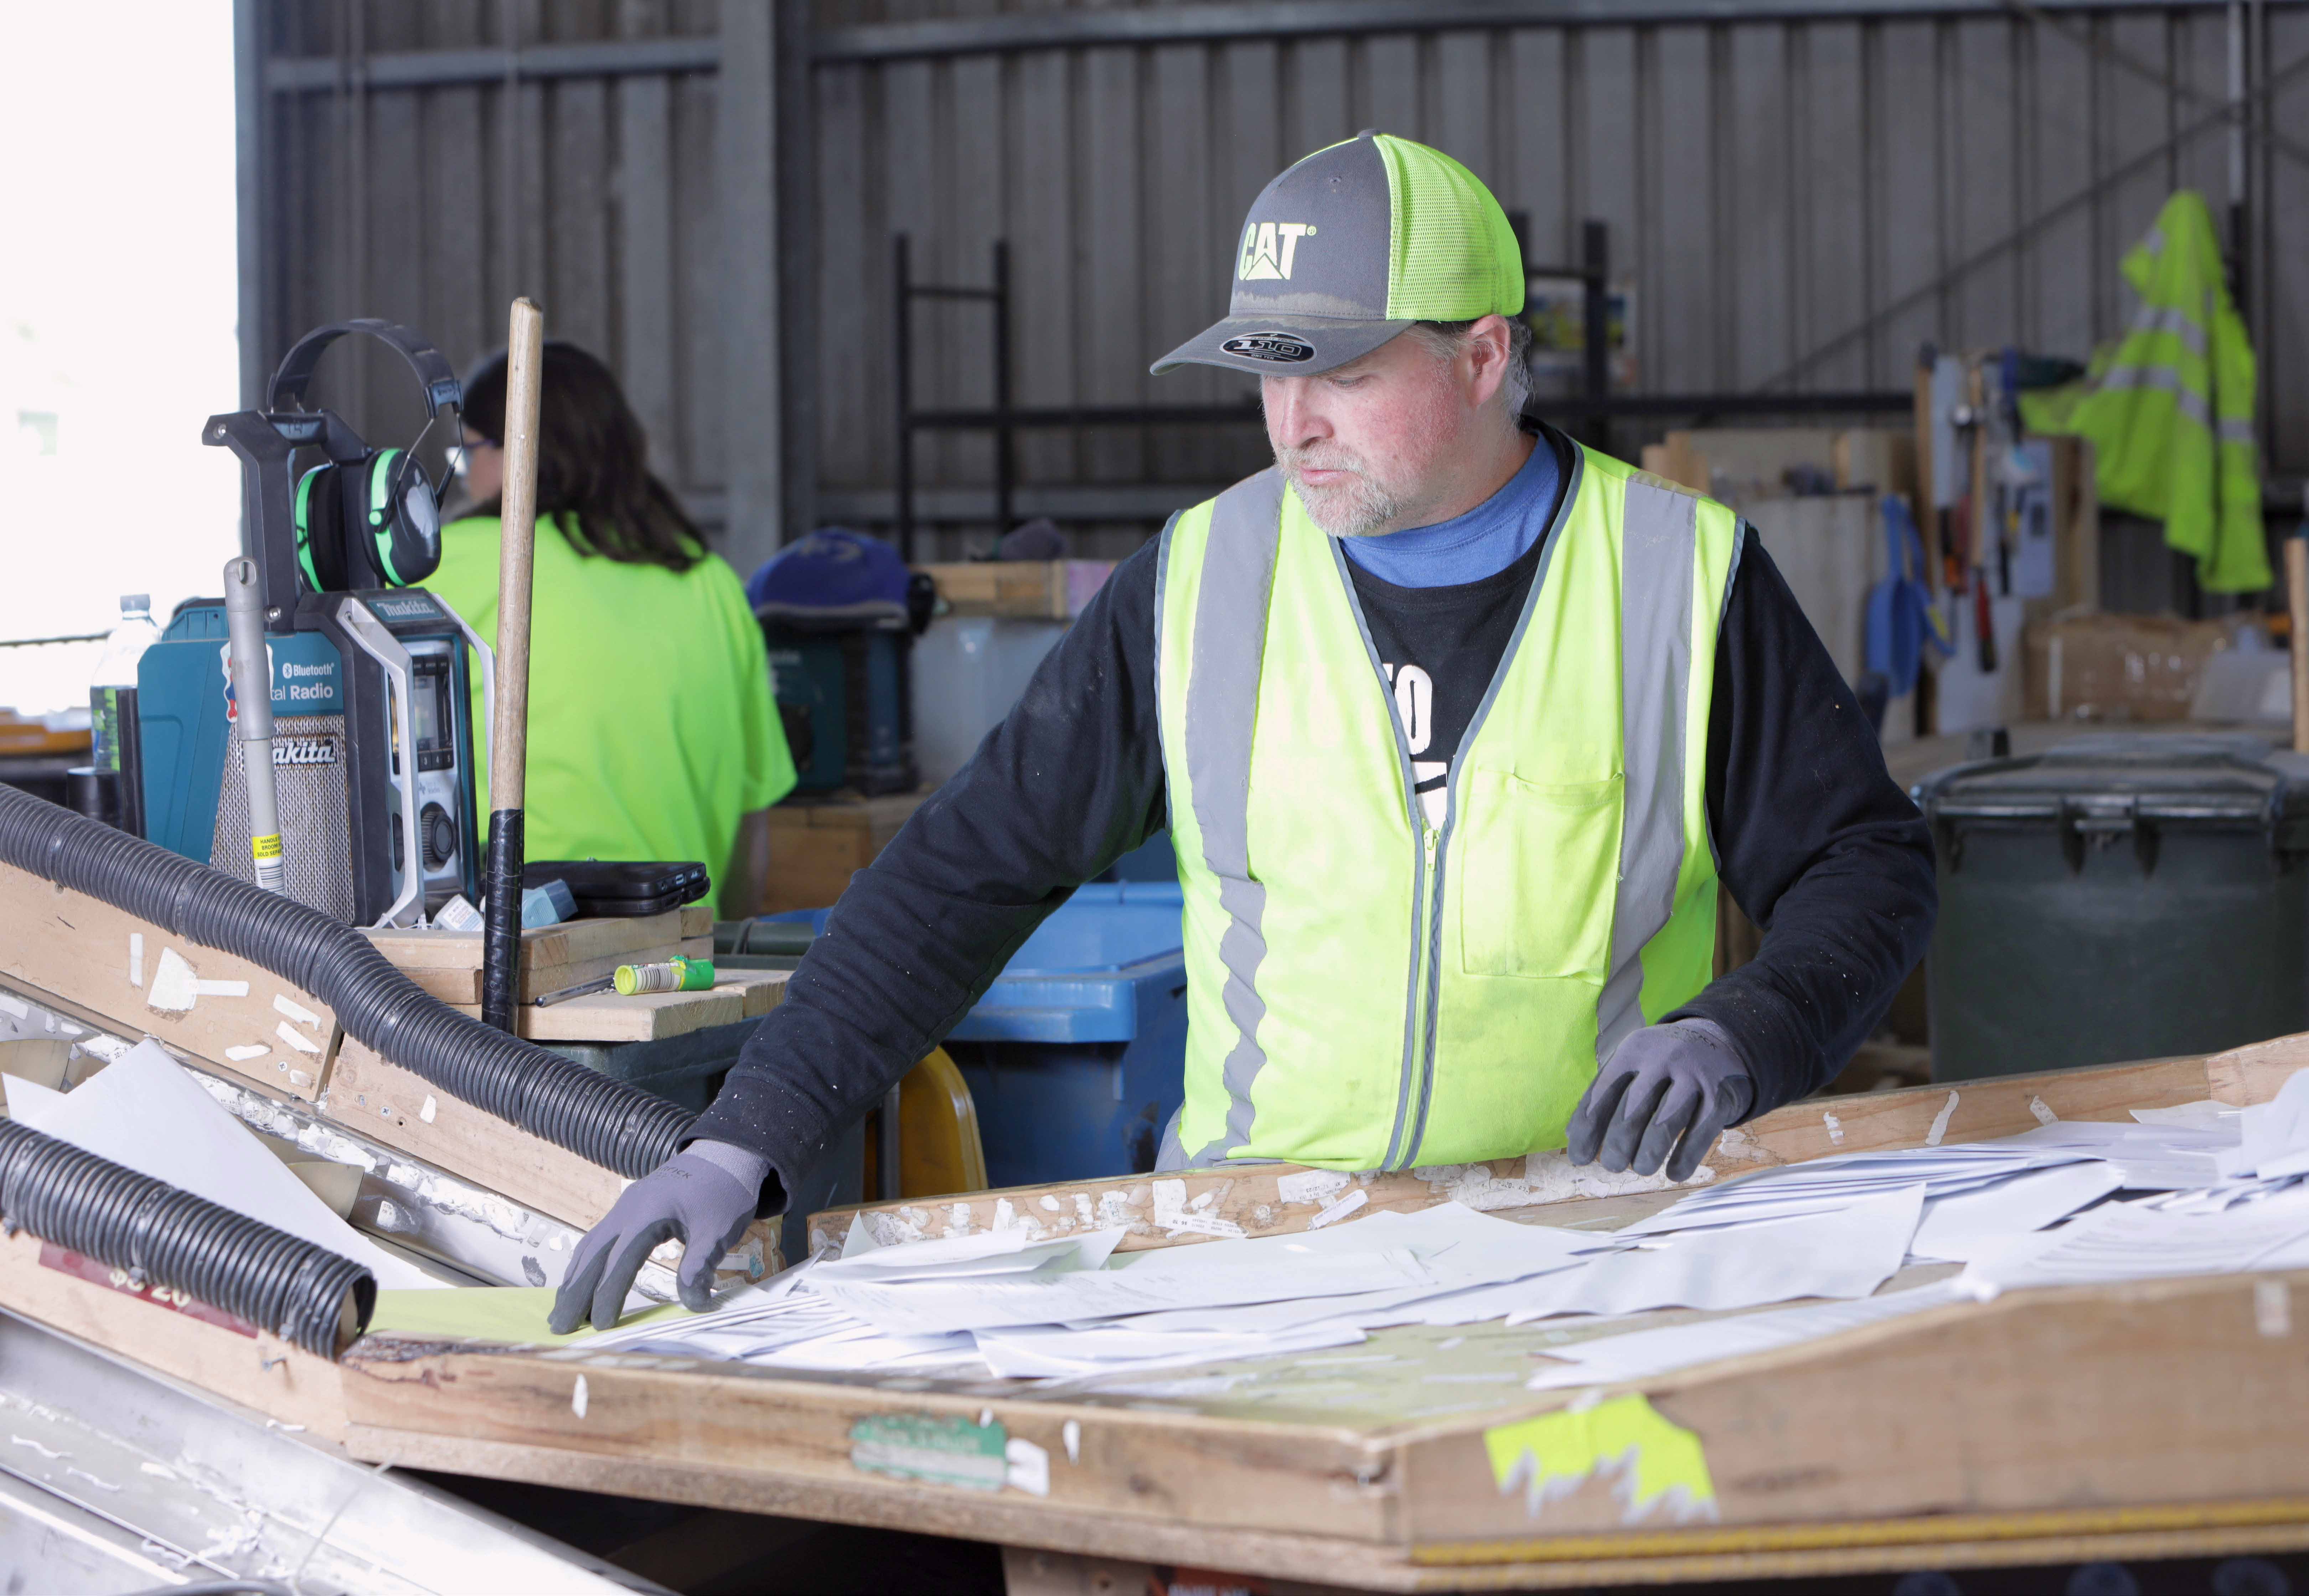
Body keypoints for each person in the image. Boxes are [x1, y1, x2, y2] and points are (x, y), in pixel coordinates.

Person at [550, 133, 1937, 1332]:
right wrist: (753, 1128)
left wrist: (1752, 1026)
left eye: (1334, 369)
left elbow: (1869, 865)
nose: (1292, 424)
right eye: (1264, 375)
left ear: (1482, 354)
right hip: (1256, 1260)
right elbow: (964, 870)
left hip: (1582, 1260)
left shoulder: (1679, 576)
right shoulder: (1205, 579)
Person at [427, 342, 794, 911]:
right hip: (685, 964)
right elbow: (754, 843)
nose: (468, 473)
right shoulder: (711, 582)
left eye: (469, 451)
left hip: (511, 958)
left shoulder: (451, 564)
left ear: (512, 451)